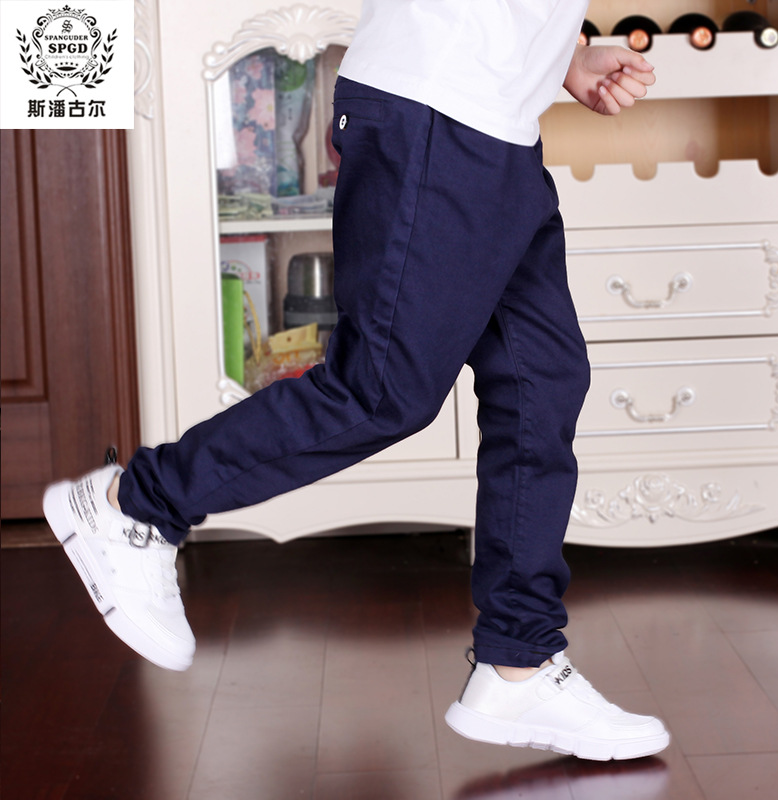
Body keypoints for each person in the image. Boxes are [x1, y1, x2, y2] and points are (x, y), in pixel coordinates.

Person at [43, 0, 669, 761]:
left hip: (497, 116)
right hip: (439, 107)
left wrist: (559, 56)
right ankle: (134, 504)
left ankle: (520, 660)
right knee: (379, 390)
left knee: (542, 379)